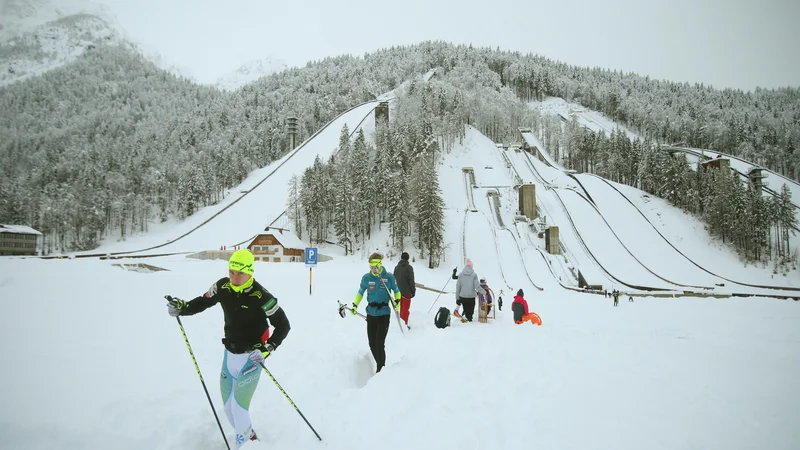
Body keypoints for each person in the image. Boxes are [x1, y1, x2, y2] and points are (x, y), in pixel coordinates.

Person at [166, 249, 291, 448]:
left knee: (239, 407)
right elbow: (203, 302)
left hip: (252, 357)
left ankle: (245, 445)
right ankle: (250, 439)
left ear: (250, 272)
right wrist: (183, 307)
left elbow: (283, 325)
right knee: (228, 409)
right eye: (231, 271)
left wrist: (267, 349)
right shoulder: (222, 286)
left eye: (240, 273)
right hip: (230, 355)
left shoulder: (262, 297)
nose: (234, 277)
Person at [350, 252, 401, 373]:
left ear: (380, 265)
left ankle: (380, 370)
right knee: (372, 343)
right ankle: (380, 364)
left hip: (384, 314)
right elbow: (361, 292)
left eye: (375, 267)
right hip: (371, 313)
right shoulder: (366, 278)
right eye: (371, 267)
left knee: (379, 343)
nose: (374, 270)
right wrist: (355, 304)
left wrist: (397, 301)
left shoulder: (389, 278)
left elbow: (397, 291)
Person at [455, 258, 485, 322]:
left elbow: (458, 287)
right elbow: (477, 286)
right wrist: (484, 292)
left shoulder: (460, 275)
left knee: (465, 311)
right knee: (470, 313)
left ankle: (466, 320)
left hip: (463, 296)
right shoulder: (474, 275)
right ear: (471, 267)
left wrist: (457, 298)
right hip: (471, 297)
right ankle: (469, 321)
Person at [393, 251, 416, 330]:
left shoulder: (396, 267)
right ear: (408, 258)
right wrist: (413, 291)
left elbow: (394, 278)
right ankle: (404, 325)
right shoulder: (409, 268)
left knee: (401, 307)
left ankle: (401, 323)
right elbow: (411, 280)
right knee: (405, 309)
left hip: (398, 291)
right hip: (406, 292)